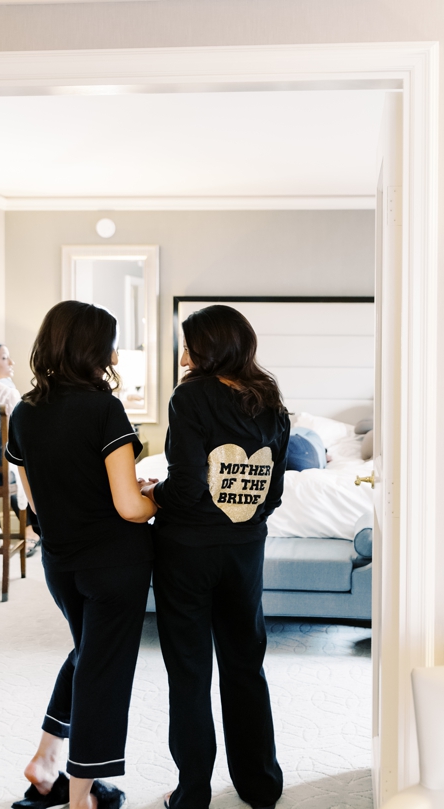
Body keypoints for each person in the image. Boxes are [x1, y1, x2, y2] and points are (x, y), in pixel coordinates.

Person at [6, 301, 156, 809]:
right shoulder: (104, 410)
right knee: (103, 672)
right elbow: (130, 507)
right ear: (94, 348)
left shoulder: (23, 413)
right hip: (114, 563)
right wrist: (159, 494)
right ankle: (81, 797)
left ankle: (46, 763)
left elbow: (36, 502)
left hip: (60, 564)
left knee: (89, 656)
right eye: (110, 342)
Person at [140, 305, 289, 809]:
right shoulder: (271, 401)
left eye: (188, 344)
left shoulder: (192, 394)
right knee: (246, 664)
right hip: (246, 550)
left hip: (187, 551)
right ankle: (261, 784)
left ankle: (192, 795)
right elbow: (272, 491)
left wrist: (154, 492)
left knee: (189, 670)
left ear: (209, 347)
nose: (183, 355)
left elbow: (184, 485)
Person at [0, 341, 41, 554]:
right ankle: (30, 529)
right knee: (24, 465)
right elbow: (21, 436)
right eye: (5, 358)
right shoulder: (7, 393)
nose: (11, 362)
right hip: (4, 468)